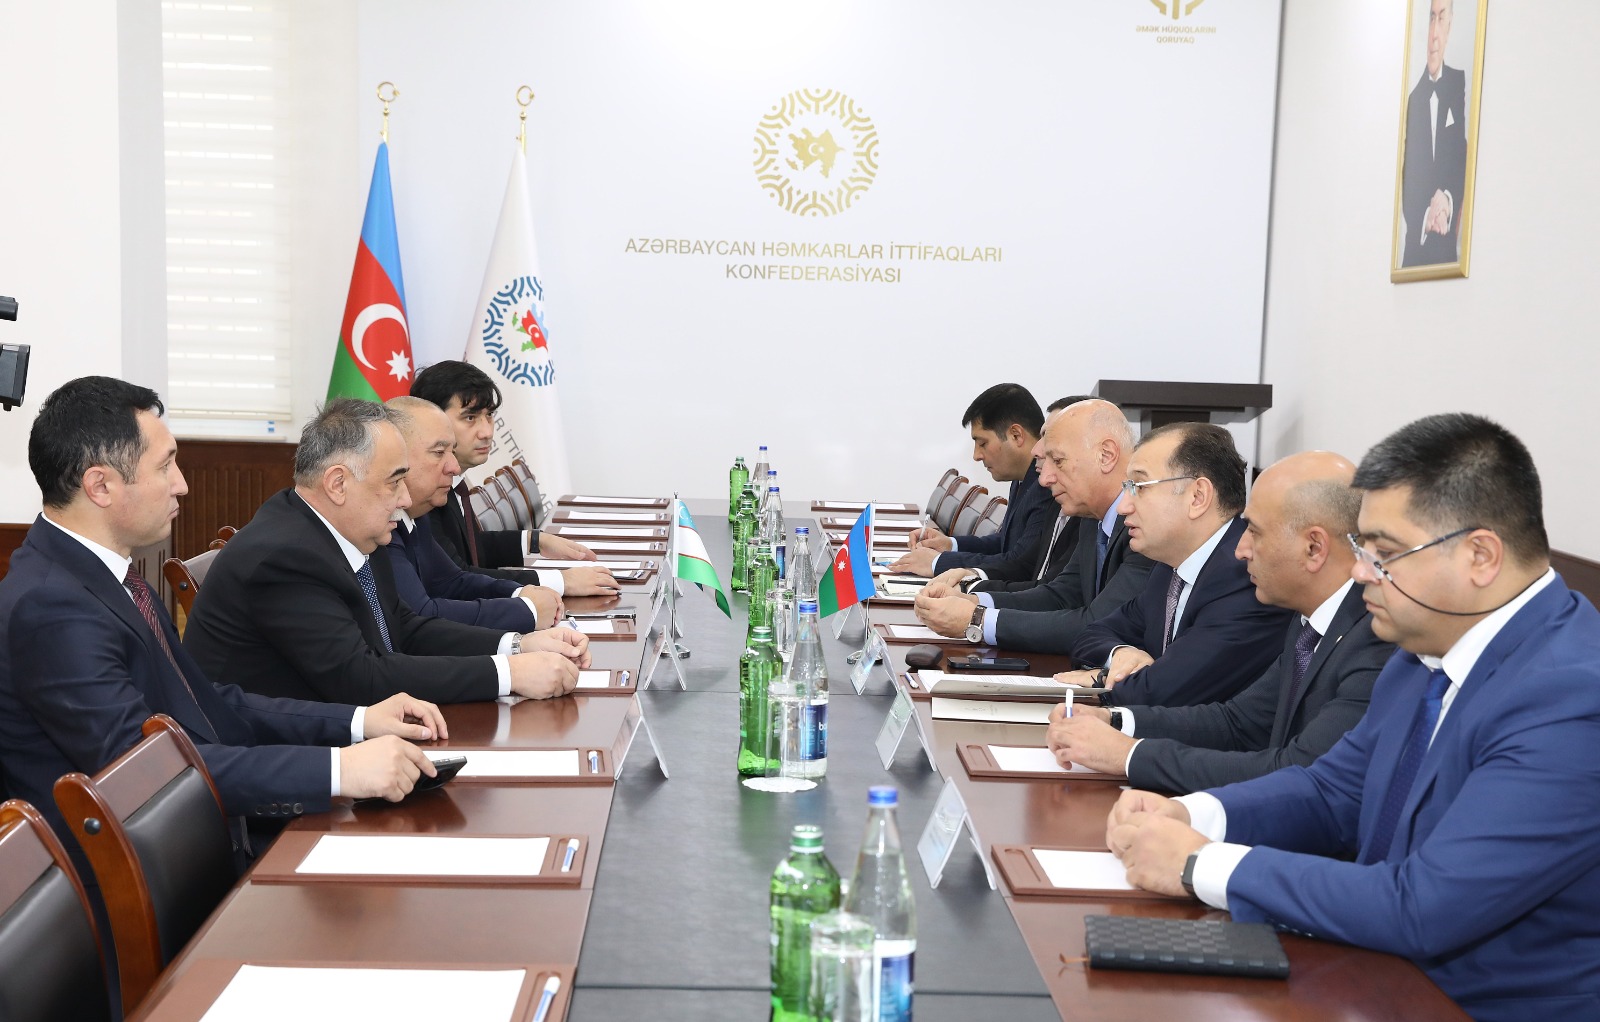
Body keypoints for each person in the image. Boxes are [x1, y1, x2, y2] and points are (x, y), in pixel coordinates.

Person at [1107, 414, 1600, 1021]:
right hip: (1369, 972)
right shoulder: (1421, 651)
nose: (1360, 571)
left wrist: (1199, 862)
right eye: (1364, 549)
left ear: (1480, 556)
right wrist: (1193, 813)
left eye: (1384, 554)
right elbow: (1332, 791)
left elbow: (1424, 906)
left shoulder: (1573, 698)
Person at [0, 377, 449, 879]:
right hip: (155, 884)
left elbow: (206, 703)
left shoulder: (109, 577)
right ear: (100, 486)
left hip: (200, 840)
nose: (182, 484)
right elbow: (146, 774)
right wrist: (338, 771)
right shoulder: (51, 606)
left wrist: (358, 723)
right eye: (165, 466)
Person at [184, 399, 589, 706]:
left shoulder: (356, 530)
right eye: (394, 481)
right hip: (280, 763)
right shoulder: (284, 557)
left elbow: (404, 628)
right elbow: (361, 678)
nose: (405, 498)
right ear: (338, 484)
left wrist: (516, 646)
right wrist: (509, 673)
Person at [1046, 451, 1393, 792]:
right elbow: (1238, 722)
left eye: (1255, 531)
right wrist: (1115, 720)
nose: (1241, 550)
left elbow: (1298, 772)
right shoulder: (1311, 622)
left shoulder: (1373, 641)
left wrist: (1127, 755)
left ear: (1314, 548)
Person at [1066, 422, 1293, 707]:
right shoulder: (1168, 569)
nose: (1123, 507)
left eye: (1138, 487)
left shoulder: (1245, 575)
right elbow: (1091, 634)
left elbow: (1161, 692)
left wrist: (1103, 679)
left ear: (1197, 497)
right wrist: (1120, 653)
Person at [912, 399, 1155, 652]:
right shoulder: (1092, 516)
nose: (1045, 479)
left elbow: (1100, 625)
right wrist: (972, 601)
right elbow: (1062, 595)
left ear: (1106, 455)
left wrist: (978, 620)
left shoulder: (1144, 526)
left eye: (1058, 461)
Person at [409, 361, 613, 595]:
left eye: (489, 415)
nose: (487, 432)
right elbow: (458, 578)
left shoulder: (455, 484)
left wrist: (535, 541)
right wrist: (561, 581)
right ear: (432, 420)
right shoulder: (422, 496)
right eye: (470, 418)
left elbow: (471, 546)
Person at [383, 396, 578, 631]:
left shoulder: (416, 514)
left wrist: (520, 593)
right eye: (439, 452)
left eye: (452, 451)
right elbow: (422, 617)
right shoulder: (383, 527)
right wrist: (527, 611)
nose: (454, 467)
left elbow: (451, 581)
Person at [889, 383, 1055, 577]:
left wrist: (937, 563)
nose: (976, 456)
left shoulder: (1046, 486)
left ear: (1016, 435)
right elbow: (1005, 543)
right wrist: (950, 544)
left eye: (983, 443)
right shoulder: (1023, 478)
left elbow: (1019, 564)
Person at [1400, 0, 1468, 268]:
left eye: (1441, 18)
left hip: (1447, 252)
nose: (1434, 34)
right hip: (1415, 252)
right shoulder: (1413, 99)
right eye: (1430, 18)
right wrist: (1427, 215)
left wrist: (1447, 200)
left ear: (1449, 27)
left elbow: (1461, 158)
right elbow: (1408, 180)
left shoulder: (1458, 84)